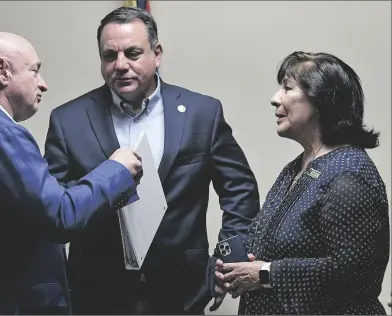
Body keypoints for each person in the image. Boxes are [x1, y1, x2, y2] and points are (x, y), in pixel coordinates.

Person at [43, 6, 260, 315]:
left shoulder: (203, 113)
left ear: (157, 53)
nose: (120, 65)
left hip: (183, 290)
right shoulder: (69, 120)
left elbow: (239, 188)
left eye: (133, 53)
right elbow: (53, 208)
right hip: (96, 293)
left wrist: (228, 260)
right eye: (109, 56)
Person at [0, 32, 143, 315]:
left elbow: (30, 209)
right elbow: (60, 216)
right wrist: (117, 170)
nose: (43, 83)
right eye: (35, 71)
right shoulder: (1, 134)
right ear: (3, 71)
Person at [215, 51, 390, 314]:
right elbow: (274, 241)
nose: (275, 99)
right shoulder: (298, 166)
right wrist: (237, 267)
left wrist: (264, 273)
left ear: (321, 101)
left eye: (287, 88)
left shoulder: (349, 175)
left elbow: (354, 274)